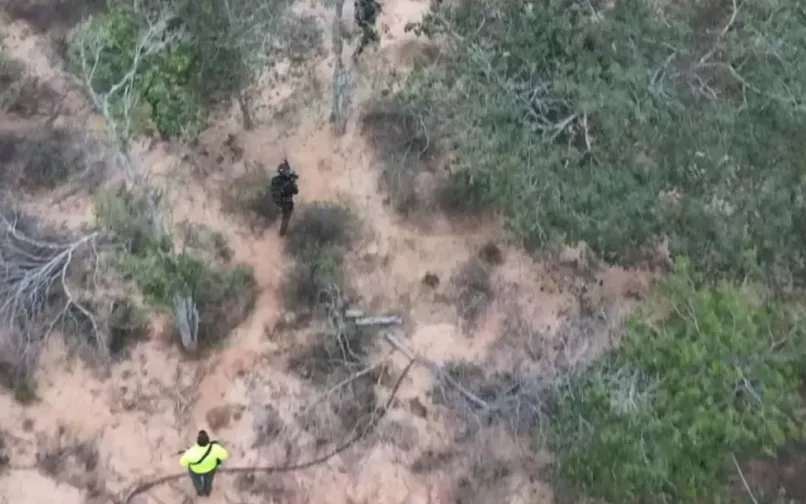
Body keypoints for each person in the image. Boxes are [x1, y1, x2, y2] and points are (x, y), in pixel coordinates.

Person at [179, 430, 229, 497]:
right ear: (208, 440)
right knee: (208, 480)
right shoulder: (215, 448)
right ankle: (207, 492)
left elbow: (182, 463)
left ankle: (200, 491)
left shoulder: (191, 451)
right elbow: (225, 455)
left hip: (195, 470)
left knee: (196, 481)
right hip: (210, 469)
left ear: (197, 441)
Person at [270, 159, 299, 236]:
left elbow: (295, 191)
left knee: (285, 222)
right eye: (286, 169)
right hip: (281, 203)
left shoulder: (287, 180)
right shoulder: (276, 180)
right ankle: (280, 235)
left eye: (287, 169)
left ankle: (281, 235)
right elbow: (274, 190)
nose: (287, 171)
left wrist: (291, 182)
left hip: (285, 204)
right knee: (281, 221)